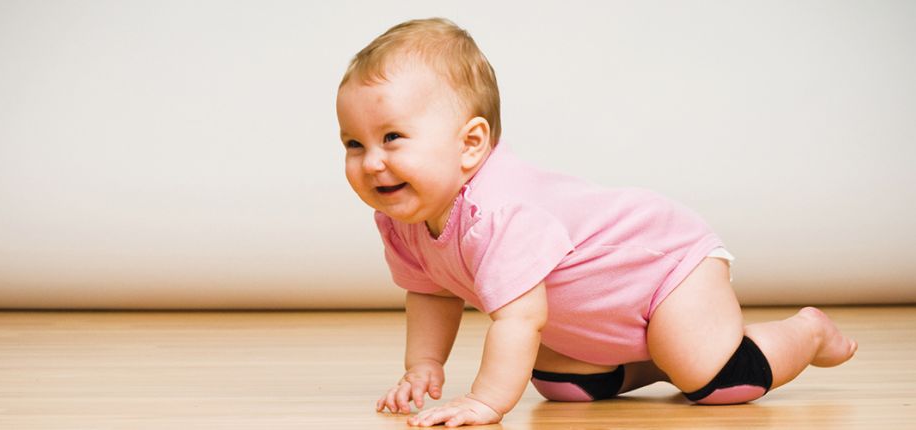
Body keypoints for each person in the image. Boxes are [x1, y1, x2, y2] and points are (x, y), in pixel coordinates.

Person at [335, 17, 857, 428]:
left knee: (718, 382)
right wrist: (424, 365)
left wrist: (486, 400)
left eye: (392, 138)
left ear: (471, 144)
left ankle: (806, 331)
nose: (371, 162)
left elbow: (519, 320)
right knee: (563, 385)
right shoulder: (404, 220)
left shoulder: (499, 213)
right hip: (604, 315)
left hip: (665, 267)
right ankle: (661, 358)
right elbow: (431, 293)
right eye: (354, 143)